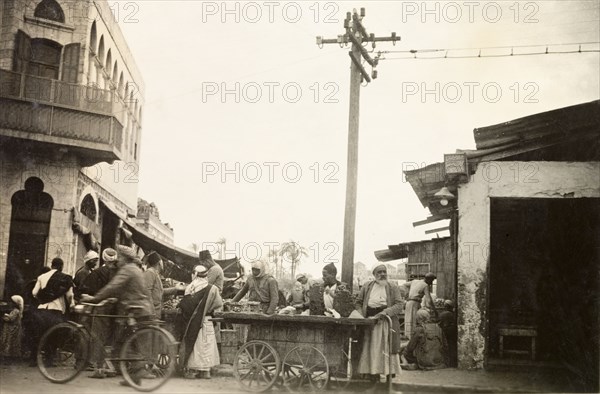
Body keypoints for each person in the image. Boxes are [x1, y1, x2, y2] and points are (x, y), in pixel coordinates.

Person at [81, 245, 155, 385]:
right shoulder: (137, 270)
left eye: (119, 257)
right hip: (142, 309)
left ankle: (137, 369)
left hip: (133, 310)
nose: (118, 260)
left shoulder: (127, 269)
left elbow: (112, 286)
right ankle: (134, 376)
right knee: (128, 341)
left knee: (121, 342)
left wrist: (94, 298)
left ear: (124, 258)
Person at [354, 264, 403, 383]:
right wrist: (361, 315)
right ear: (374, 274)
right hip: (370, 322)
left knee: (387, 347)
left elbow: (399, 305)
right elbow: (358, 302)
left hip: (386, 322)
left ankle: (388, 373)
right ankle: (373, 373)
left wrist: (385, 313)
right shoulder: (367, 286)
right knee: (372, 347)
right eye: (379, 272)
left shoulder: (393, 286)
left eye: (384, 272)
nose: (382, 274)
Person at [176, 265, 223, 379]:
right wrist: (208, 308)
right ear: (206, 275)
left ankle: (193, 370)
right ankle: (205, 372)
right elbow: (218, 304)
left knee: (195, 346)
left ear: (195, 274)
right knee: (206, 345)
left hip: (193, 322)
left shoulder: (190, 288)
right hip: (207, 320)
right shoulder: (212, 288)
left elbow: (185, 307)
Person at [79, 248, 119, 378]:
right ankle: (111, 367)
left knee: (98, 337)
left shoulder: (97, 273)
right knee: (111, 339)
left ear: (103, 258)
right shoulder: (118, 273)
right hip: (116, 309)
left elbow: (85, 291)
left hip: (100, 308)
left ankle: (100, 368)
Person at [31, 258, 75, 366]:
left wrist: (44, 297)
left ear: (52, 265)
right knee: (53, 335)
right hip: (56, 309)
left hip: (41, 309)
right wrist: (72, 305)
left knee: (39, 334)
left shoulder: (41, 277)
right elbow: (70, 296)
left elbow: (34, 292)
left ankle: (34, 360)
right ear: (61, 266)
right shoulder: (66, 278)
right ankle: (49, 360)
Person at [142, 251, 182, 319]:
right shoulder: (150, 272)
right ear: (159, 263)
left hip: (156, 312)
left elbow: (160, 291)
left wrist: (176, 288)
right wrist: (152, 313)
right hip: (152, 314)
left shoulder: (155, 273)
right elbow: (147, 293)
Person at [404, 272, 437, 339]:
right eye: (431, 281)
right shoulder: (425, 285)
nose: (431, 283)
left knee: (410, 320)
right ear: (429, 279)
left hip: (409, 303)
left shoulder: (415, 281)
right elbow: (429, 300)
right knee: (412, 321)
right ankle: (412, 338)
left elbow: (404, 285)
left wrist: (407, 294)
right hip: (414, 303)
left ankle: (410, 336)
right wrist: (435, 311)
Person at [1, 295, 24, 363]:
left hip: (12, 329)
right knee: (9, 342)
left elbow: (10, 319)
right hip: (11, 329)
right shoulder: (15, 311)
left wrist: (4, 316)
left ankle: (9, 358)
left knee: (10, 342)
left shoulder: (16, 311)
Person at [438, 299, 457, 367]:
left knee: (445, 346)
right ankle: (452, 363)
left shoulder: (442, 314)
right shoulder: (452, 314)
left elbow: (439, 323)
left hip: (444, 331)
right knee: (452, 346)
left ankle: (446, 362)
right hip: (451, 331)